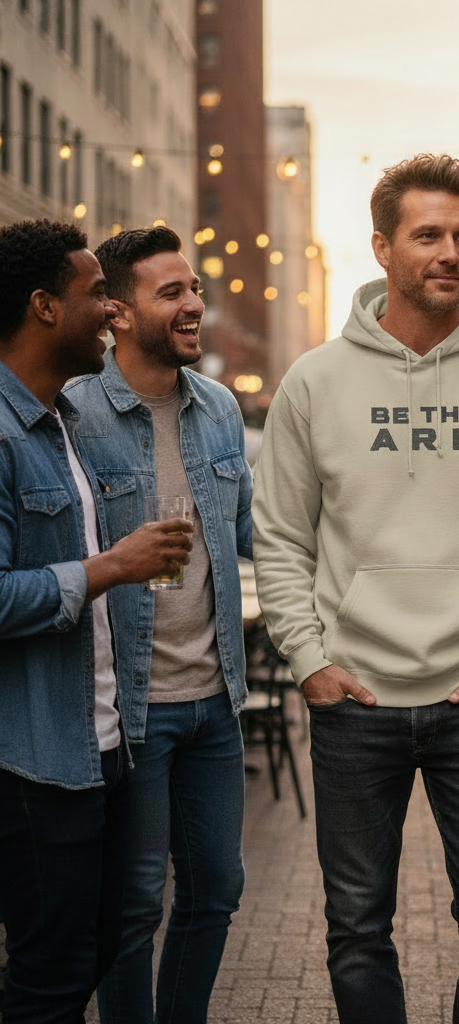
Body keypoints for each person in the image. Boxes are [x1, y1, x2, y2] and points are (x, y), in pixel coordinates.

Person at [251, 153, 459, 1021]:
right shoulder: (316, 383)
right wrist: (311, 660)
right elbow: (281, 536)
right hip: (353, 696)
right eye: (427, 234)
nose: (449, 252)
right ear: (381, 248)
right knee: (357, 925)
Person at [0, 220, 193, 1021]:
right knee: (52, 972)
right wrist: (114, 566)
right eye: (97, 297)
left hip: (107, 743)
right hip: (37, 760)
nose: (114, 313)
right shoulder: (6, 434)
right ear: (45, 307)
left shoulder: (67, 426)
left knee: (109, 938)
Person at [64, 226, 252, 1023]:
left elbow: (254, 537)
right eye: (170, 292)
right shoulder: (73, 413)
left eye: (195, 289)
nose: (193, 305)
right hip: (131, 712)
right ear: (115, 310)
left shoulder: (220, 410)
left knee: (216, 890)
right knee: (136, 906)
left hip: (218, 702)